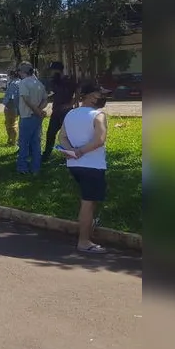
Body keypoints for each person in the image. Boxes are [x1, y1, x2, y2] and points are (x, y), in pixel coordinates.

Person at [58, 81, 112, 254]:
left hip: (74, 164)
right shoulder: (98, 115)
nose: (102, 97)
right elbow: (99, 140)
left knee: (90, 200)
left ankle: (88, 227)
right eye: (99, 94)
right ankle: (84, 241)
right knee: (88, 203)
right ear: (89, 96)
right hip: (92, 166)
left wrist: (70, 151)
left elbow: (62, 136)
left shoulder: (71, 114)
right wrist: (80, 151)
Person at [16, 61, 48, 175]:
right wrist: (39, 110)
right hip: (37, 117)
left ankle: (22, 167)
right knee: (36, 143)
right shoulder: (38, 83)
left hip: (27, 116)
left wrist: (36, 110)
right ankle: (36, 168)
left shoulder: (23, 83)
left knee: (24, 143)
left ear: (22, 72)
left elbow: (26, 99)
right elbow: (45, 99)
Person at [42, 61, 78, 162]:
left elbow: (78, 91)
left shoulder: (69, 81)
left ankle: (70, 155)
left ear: (57, 70)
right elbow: (53, 93)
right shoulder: (54, 81)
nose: (51, 73)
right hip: (56, 111)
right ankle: (46, 155)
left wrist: (70, 104)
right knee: (50, 133)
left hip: (66, 112)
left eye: (53, 70)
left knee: (68, 135)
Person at [2, 69, 20, 146]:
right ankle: (10, 139)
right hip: (15, 106)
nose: (8, 76)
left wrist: (7, 105)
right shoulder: (19, 82)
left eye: (8, 75)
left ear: (12, 75)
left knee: (11, 125)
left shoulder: (14, 83)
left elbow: (12, 97)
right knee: (9, 124)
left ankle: (13, 141)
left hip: (11, 106)